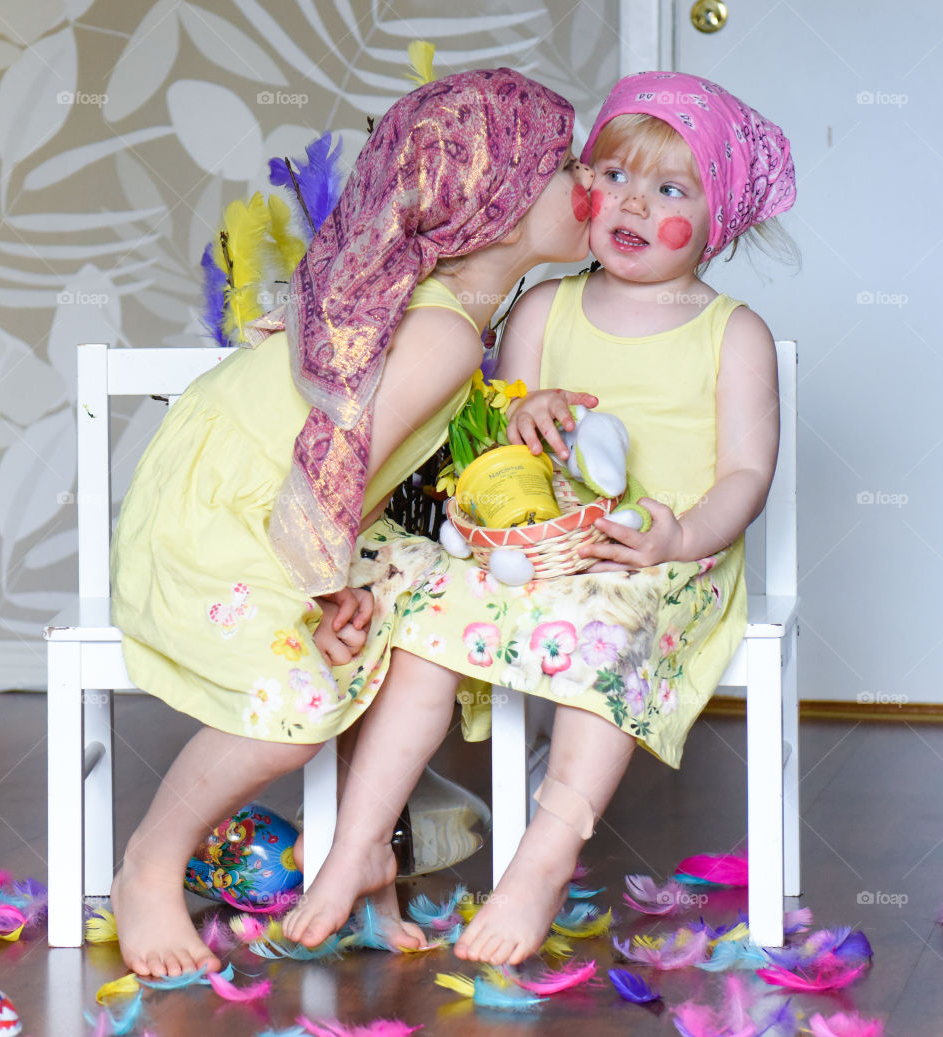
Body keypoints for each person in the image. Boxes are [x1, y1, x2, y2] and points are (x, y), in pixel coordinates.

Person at [286, 71, 797, 965]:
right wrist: (517, 415)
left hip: (657, 557)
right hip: (529, 545)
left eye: (670, 189)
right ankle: (362, 838)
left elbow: (748, 473)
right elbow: (486, 438)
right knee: (420, 620)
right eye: (612, 175)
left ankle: (546, 854)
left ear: (723, 222)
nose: (631, 202)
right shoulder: (543, 307)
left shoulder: (732, 332)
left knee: (606, 632)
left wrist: (680, 535)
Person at [107, 67, 596, 977]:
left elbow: (365, 456)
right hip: (237, 514)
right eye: (564, 164)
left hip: (289, 501)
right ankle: (151, 859)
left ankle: (366, 854)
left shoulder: (452, 318)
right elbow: (331, 470)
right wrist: (330, 588)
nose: (590, 184)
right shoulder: (445, 332)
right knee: (290, 709)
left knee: (427, 607)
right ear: (495, 206)